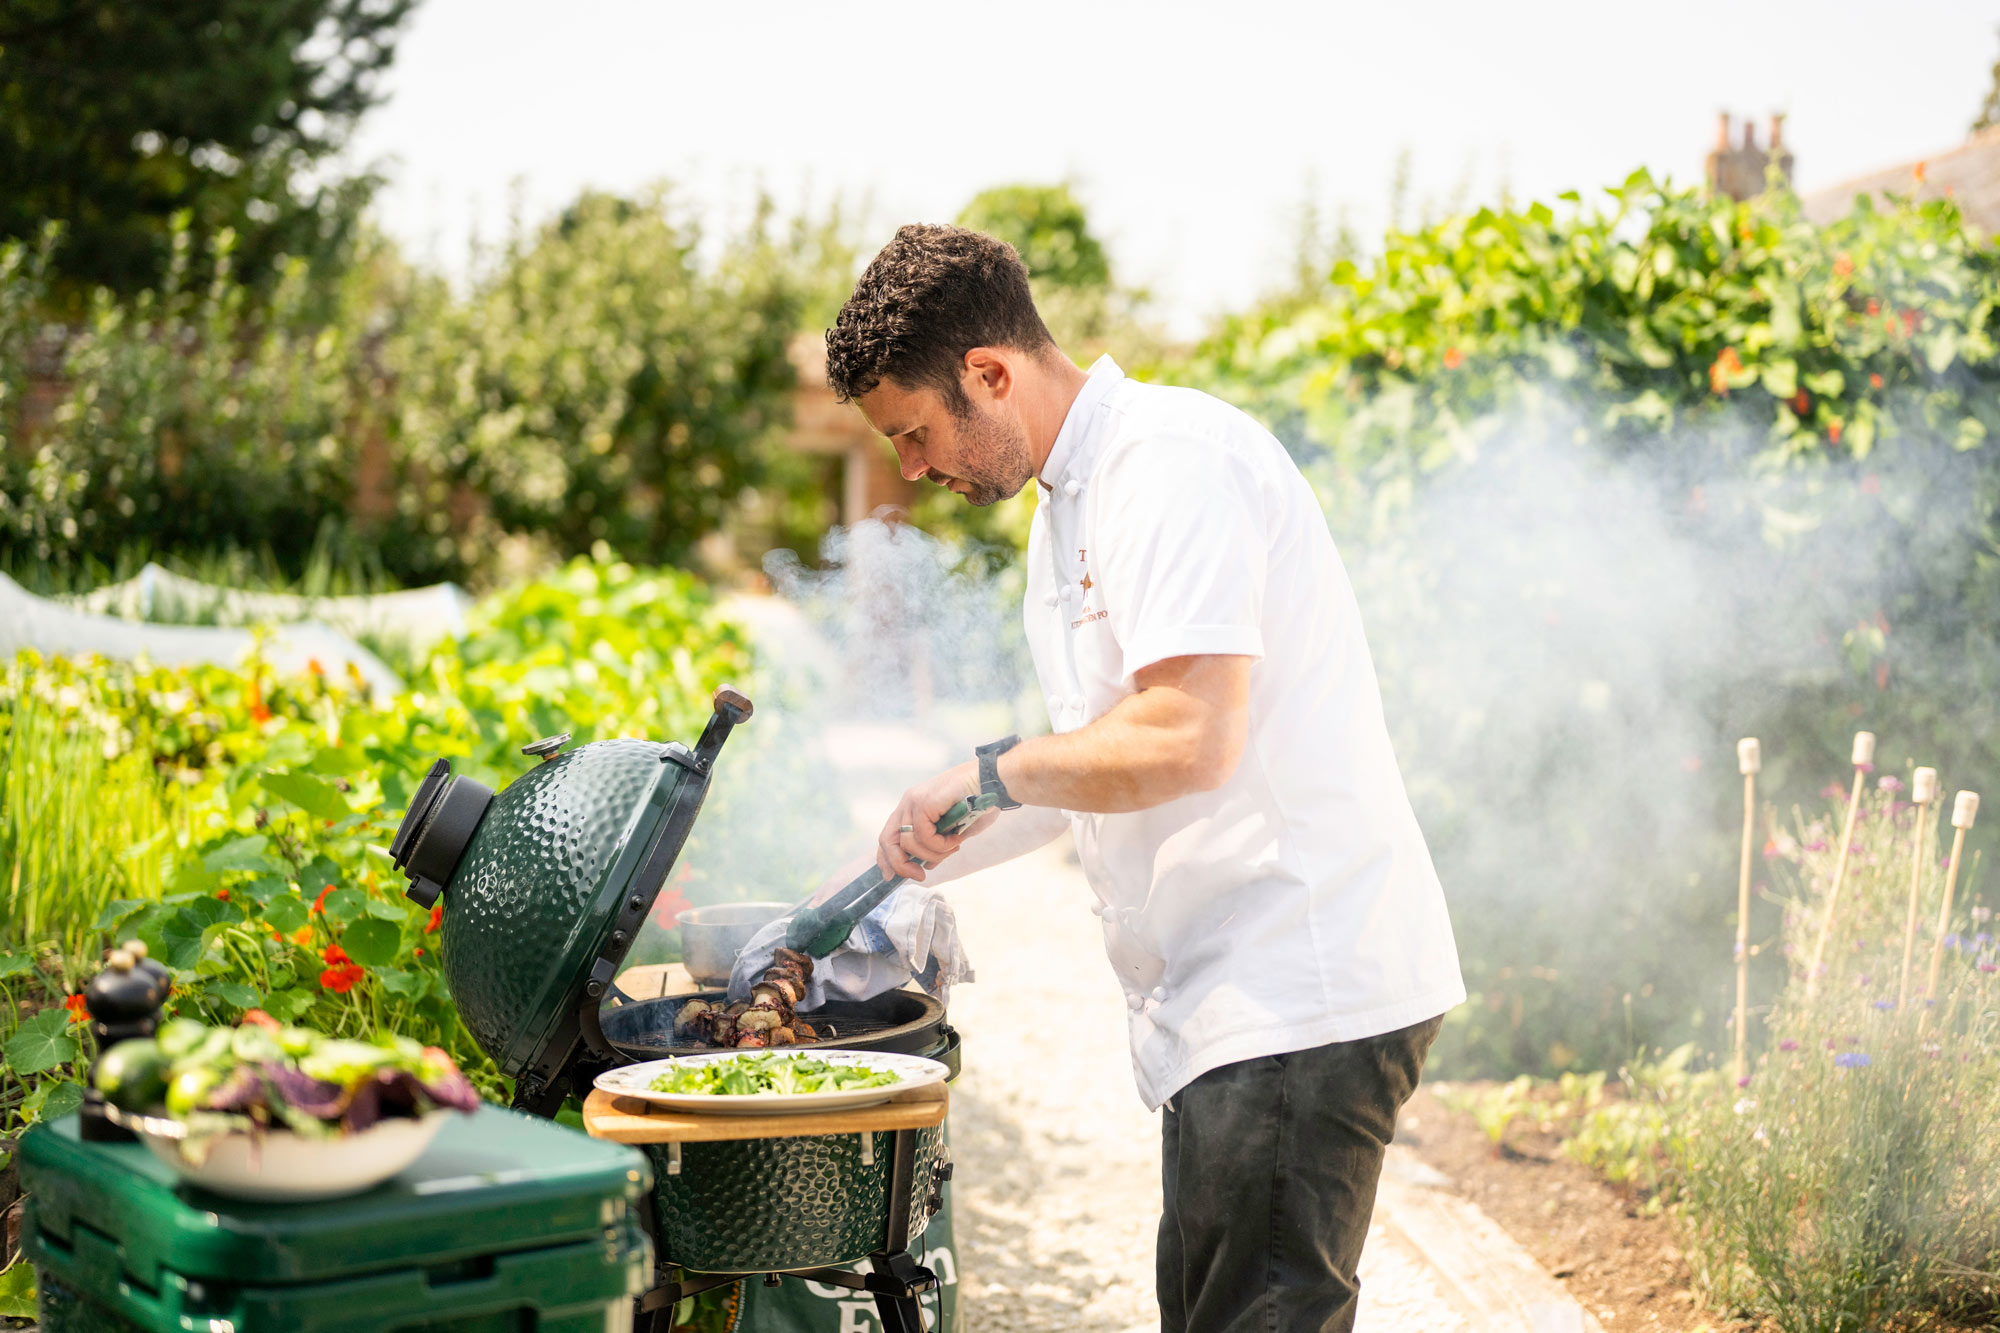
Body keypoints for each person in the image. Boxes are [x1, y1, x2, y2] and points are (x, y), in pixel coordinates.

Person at [822, 223, 1464, 1333]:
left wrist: (991, 767)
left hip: (1291, 986)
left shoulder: (1169, 464)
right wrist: (925, 840)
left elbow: (1186, 736)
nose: (914, 468)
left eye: (916, 433)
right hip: (1227, 1007)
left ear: (989, 373)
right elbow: (1095, 754)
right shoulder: (1067, 505)